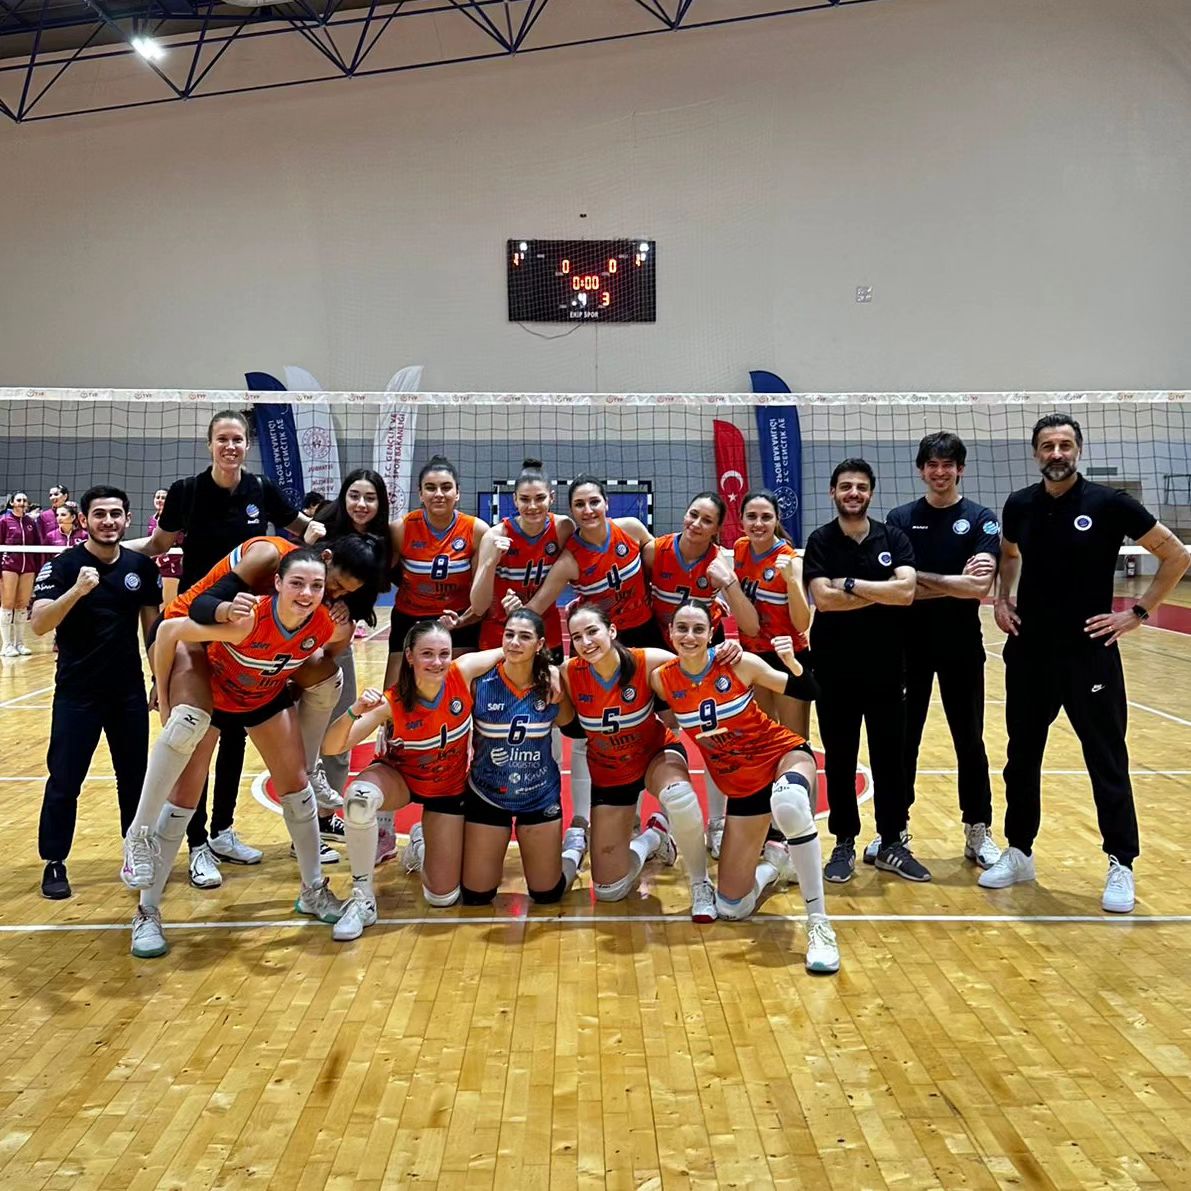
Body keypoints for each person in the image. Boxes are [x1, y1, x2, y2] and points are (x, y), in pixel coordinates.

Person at [980, 415, 1190, 912]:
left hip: (1089, 654)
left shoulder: (1110, 504)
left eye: (1065, 445)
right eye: (1048, 446)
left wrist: (1137, 613)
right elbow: (1009, 554)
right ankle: (1019, 851)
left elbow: (1177, 556)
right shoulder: (1020, 504)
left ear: (1078, 450)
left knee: (1106, 758)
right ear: (1036, 453)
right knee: (1021, 758)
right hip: (1030, 653)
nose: (1057, 453)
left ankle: (1121, 862)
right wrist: (1003, 598)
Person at [130, 409, 328, 886]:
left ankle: (222, 831)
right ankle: (195, 843)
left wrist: (320, 533)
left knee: (236, 733)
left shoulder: (261, 489)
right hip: (199, 621)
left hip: (247, 623)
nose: (230, 446)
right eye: (222, 439)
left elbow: (304, 528)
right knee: (198, 736)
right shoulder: (186, 491)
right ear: (209, 444)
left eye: (238, 439)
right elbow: (157, 545)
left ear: (247, 445)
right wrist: (105, 552)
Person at [123, 549, 350, 957]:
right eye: (297, 583)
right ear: (277, 583)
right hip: (214, 692)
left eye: (316, 586)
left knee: (298, 790)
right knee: (183, 798)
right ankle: (147, 909)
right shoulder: (246, 618)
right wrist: (164, 694)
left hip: (261, 697)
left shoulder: (321, 623)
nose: (306, 593)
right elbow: (169, 630)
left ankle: (314, 890)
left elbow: (323, 653)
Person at [651, 602, 838, 973]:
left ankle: (819, 925)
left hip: (781, 755)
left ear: (712, 634)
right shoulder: (662, 680)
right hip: (742, 786)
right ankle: (775, 863)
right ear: (670, 633)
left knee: (789, 803)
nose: (689, 636)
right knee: (732, 907)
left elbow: (809, 689)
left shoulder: (739, 664)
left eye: (699, 629)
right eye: (682, 628)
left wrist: (792, 661)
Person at [321, 622, 507, 940]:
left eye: (444, 654)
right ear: (409, 656)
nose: (437, 661)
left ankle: (419, 845)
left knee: (442, 897)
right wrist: (355, 709)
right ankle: (362, 899)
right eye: (427, 654)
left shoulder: (462, 672)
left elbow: (512, 649)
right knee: (359, 798)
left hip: (447, 789)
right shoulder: (391, 702)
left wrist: (551, 673)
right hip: (401, 780)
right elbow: (332, 747)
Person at [32, 486, 162, 899]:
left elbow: (153, 631)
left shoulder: (141, 568)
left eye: (116, 514)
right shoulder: (62, 566)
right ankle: (55, 861)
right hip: (77, 693)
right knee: (65, 779)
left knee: (135, 778)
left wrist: (160, 679)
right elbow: (39, 623)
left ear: (127, 519)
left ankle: (134, 853)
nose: (109, 521)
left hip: (127, 693)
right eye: (100, 514)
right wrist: (76, 591)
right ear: (84, 520)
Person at [803, 459, 926, 884]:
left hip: (887, 666)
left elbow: (906, 592)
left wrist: (851, 584)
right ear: (833, 492)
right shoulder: (820, 540)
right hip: (834, 668)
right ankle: (843, 843)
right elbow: (824, 600)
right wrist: (882, 591)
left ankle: (892, 841)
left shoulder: (894, 537)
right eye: (845, 487)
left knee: (891, 757)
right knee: (840, 757)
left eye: (860, 487)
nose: (853, 493)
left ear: (871, 492)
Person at [885, 432, 1002, 870]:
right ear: (921, 470)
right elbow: (900, 589)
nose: (940, 471)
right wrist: (952, 582)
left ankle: (978, 829)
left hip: (961, 647)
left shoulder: (981, 519)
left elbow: (978, 588)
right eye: (932, 464)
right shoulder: (899, 518)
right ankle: (894, 831)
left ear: (960, 469)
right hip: (907, 646)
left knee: (969, 740)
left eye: (947, 464)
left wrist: (922, 580)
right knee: (903, 741)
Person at [562, 603, 718, 921]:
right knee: (609, 889)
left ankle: (701, 883)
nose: (586, 642)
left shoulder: (648, 661)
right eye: (577, 637)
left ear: (611, 631)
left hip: (653, 755)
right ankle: (654, 837)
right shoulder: (568, 673)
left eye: (592, 632)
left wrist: (723, 653)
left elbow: (697, 663)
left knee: (679, 796)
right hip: (609, 772)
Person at [468, 459, 589, 851]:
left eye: (539, 498)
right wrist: (490, 561)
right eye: (524, 499)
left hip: (546, 640)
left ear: (551, 498)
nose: (532, 506)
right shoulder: (497, 535)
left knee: (549, 721)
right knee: (489, 725)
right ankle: (490, 801)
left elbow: (585, 560)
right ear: (513, 500)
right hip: (498, 640)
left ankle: (556, 809)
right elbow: (479, 604)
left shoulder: (563, 528)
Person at [459, 609, 586, 911]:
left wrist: (555, 674)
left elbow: (574, 728)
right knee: (476, 895)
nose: (515, 642)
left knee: (547, 894)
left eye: (524, 636)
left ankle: (574, 850)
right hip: (487, 794)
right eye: (509, 635)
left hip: (539, 795)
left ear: (540, 644)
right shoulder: (480, 683)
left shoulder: (551, 687)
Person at [383, 455, 490, 690]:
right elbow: (383, 575)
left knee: (460, 691)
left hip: (460, 619)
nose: (438, 494)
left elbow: (482, 591)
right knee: (393, 694)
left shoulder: (477, 530)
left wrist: (462, 621)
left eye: (446, 487)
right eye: (430, 488)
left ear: (457, 493)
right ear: (420, 494)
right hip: (410, 617)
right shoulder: (401, 528)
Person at [733, 490, 813, 737]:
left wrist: (791, 582)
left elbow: (802, 623)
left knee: (794, 739)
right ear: (741, 519)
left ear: (777, 519)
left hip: (788, 657)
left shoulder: (791, 560)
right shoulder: (740, 548)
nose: (758, 523)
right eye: (751, 516)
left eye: (766, 517)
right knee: (764, 736)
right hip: (752, 655)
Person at [0, 492, 42, 656]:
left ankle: (19, 643)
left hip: (28, 567)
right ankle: (6, 645)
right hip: (9, 566)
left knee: (22, 604)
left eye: (24, 500)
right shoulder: (4, 521)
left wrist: (37, 568)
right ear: (12, 503)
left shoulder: (31, 522)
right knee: (7, 603)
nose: (22, 502)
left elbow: (37, 546)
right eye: (19, 500)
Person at [147, 487, 183, 608]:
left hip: (172, 559)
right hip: (156, 560)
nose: (160, 500)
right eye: (157, 497)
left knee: (168, 602)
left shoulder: (175, 517)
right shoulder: (153, 518)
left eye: (163, 498)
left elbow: (177, 541)